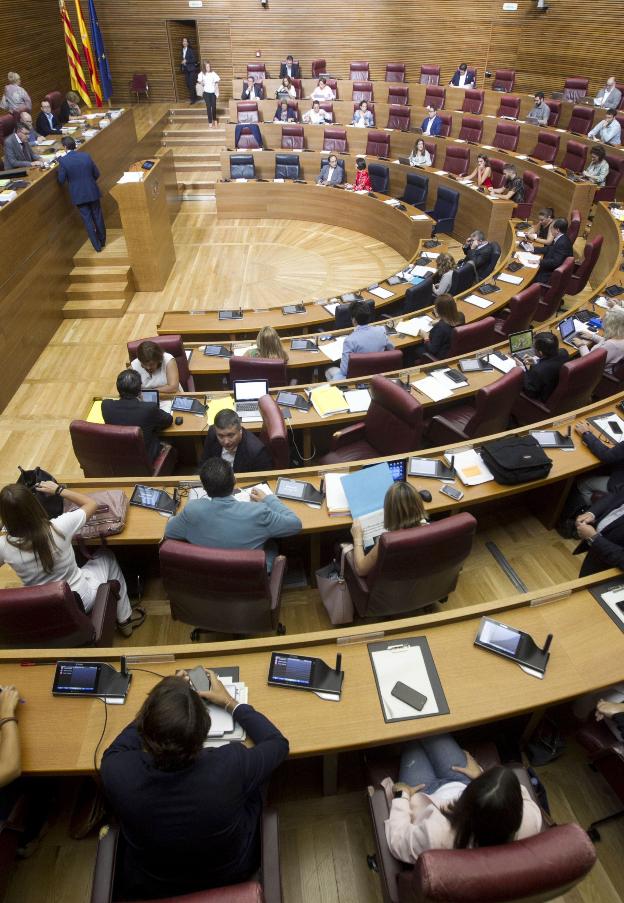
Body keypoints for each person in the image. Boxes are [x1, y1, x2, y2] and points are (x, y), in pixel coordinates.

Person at [100, 671, 289, 899]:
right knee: (257, 780)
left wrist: (160, 706)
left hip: (153, 882)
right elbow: (277, 743)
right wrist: (229, 702)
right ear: (202, 733)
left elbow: (117, 749)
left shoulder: (117, 772)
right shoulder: (230, 766)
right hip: (231, 872)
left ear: (145, 730)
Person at [0, 481, 140, 635]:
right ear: (35, 505)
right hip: (81, 601)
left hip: (40, 610)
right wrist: (59, 490)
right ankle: (125, 621)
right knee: (107, 556)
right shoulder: (60, 526)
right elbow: (91, 504)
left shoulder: (3, 546)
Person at [383, 733, 542, 864]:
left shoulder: (438, 834)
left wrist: (401, 796)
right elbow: (518, 793)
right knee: (430, 727)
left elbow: (398, 841)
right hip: (464, 780)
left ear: (466, 804)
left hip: (424, 794)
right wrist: (480, 776)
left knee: (410, 736)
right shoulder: (531, 820)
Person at [164, 458, 301, 570]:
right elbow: (295, 524)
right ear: (235, 482)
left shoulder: (192, 510)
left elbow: (169, 531)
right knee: (271, 545)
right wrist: (268, 499)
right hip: (250, 582)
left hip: (209, 580)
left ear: (204, 488)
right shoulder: (259, 512)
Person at [350, 482, 428, 577]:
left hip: (388, 587)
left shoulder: (387, 541)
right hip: (419, 582)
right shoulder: (430, 530)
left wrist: (357, 538)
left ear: (389, 512)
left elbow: (361, 570)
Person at [102, 370, 173, 466]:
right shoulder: (149, 408)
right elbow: (168, 420)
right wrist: (142, 403)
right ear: (140, 390)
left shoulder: (106, 406)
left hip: (118, 461)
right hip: (145, 461)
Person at [57, 136, 105, 251]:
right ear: (75, 145)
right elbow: (97, 174)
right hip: (92, 191)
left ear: (64, 147)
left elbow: (61, 180)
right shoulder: (86, 156)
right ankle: (102, 241)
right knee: (98, 216)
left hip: (79, 195)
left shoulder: (63, 161)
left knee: (88, 220)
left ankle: (97, 247)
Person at [326, 300, 393, 380]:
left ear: (354, 320)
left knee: (329, 371)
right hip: (377, 375)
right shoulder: (382, 331)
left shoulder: (349, 340)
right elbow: (391, 349)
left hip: (357, 379)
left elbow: (344, 371)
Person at [200, 409, 274, 473]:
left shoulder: (256, 451)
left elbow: (261, 480)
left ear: (240, 430)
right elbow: (204, 464)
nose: (226, 442)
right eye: (221, 436)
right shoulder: (212, 434)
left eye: (230, 435)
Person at [575, 488, 624, 576]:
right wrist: (592, 513)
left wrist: (594, 538)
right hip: (596, 554)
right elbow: (617, 492)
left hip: (612, 570)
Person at [518, 331, 568, 402]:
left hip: (542, 399)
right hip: (556, 389)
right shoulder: (564, 352)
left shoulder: (539, 370)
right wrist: (537, 362)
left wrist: (523, 369)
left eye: (533, 347)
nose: (533, 348)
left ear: (540, 352)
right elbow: (549, 365)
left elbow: (530, 392)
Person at [572, 307, 624, 372]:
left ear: (611, 325)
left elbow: (588, 362)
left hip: (595, 372)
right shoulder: (619, 335)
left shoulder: (611, 345)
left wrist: (581, 345)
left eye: (603, 321)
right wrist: (592, 337)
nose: (600, 321)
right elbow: (606, 341)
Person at [419, 294, 465, 360]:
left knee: (413, 349)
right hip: (453, 351)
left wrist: (425, 337)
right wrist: (440, 320)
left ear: (439, 311)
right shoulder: (461, 316)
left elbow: (432, 350)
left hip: (439, 357)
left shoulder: (441, 328)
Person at [530, 217, 574, 285]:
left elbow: (555, 262)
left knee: (529, 276)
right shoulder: (561, 238)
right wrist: (534, 249)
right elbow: (550, 249)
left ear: (557, 230)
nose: (550, 230)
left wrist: (538, 261)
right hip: (550, 267)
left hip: (550, 274)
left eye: (551, 228)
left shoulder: (562, 243)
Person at [197, 61, 220, 127]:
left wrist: (215, 83)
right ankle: (210, 121)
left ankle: (215, 119)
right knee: (208, 107)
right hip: (206, 92)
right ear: (204, 67)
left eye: (209, 66)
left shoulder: (213, 73)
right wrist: (201, 83)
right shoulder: (201, 74)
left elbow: (218, 79)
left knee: (214, 106)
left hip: (213, 92)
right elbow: (199, 81)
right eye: (207, 66)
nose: (208, 67)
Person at [181, 37, 198, 104]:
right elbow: (183, 59)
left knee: (191, 84)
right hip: (186, 69)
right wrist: (182, 62)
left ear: (187, 43)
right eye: (183, 41)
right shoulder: (182, 50)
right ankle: (195, 96)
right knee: (188, 84)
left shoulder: (190, 50)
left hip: (191, 69)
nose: (184, 42)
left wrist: (186, 61)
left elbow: (194, 60)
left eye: (185, 41)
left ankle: (193, 99)